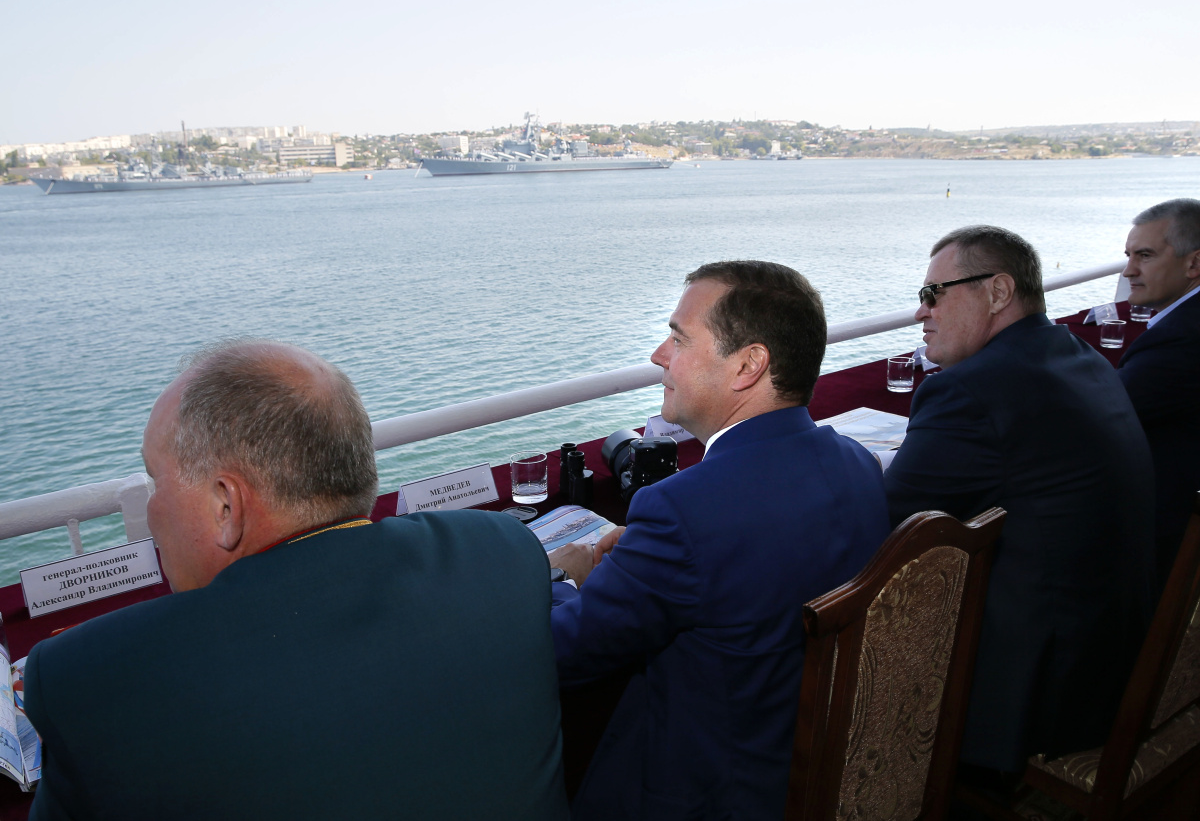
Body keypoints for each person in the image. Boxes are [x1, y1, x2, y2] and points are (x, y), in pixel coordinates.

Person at [24, 340, 568, 821]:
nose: (152, 508)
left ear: (225, 505)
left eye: (154, 479)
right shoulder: (500, 550)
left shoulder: (92, 678)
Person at [548, 261, 891, 820]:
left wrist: (568, 577)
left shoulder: (682, 512)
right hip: (814, 766)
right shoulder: (858, 465)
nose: (659, 355)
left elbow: (563, 653)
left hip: (710, 792)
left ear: (749, 365)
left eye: (679, 339)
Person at [884, 226, 1156, 777]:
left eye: (934, 294)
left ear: (998, 291)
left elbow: (885, 521)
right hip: (1116, 652)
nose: (921, 312)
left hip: (1041, 690)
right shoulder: (1078, 354)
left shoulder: (969, 390)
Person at [1118, 198, 1200, 590]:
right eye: (1129, 256)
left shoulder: (1182, 338)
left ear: (1194, 264)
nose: (1128, 270)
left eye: (1145, 256)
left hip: (1166, 532)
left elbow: (1106, 414)